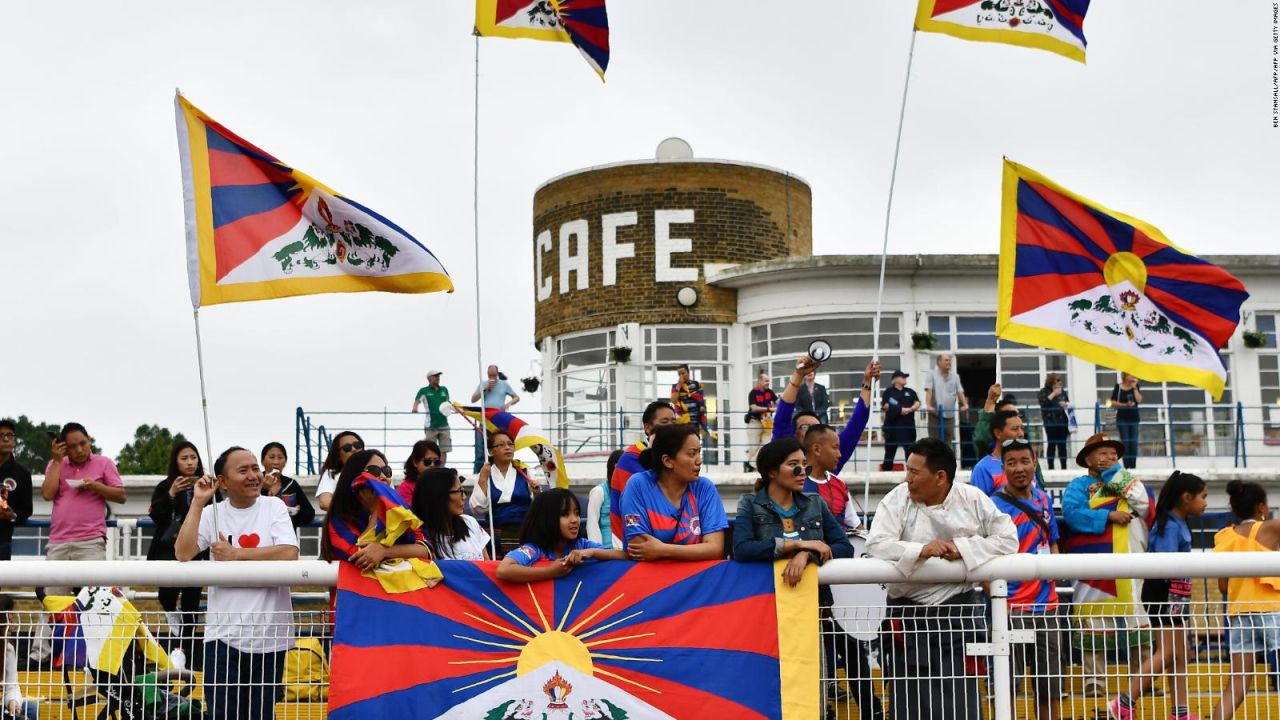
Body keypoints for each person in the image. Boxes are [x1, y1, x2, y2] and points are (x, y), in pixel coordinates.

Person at [866, 438, 1018, 720]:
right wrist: (920, 551)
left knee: (962, 693)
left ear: (940, 477)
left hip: (958, 609)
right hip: (907, 612)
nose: (907, 478)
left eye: (914, 472)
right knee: (909, 699)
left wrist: (962, 548)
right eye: (908, 470)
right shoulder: (897, 498)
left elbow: (1008, 539)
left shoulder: (972, 498)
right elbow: (876, 544)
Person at [733, 438, 856, 714]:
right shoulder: (750, 505)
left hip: (812, 612)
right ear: (772, 472)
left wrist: (807, 557)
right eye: (794, 466)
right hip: (766, 614)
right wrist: (796, 545)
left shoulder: (815, 503)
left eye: (805, 466)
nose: (803, 473)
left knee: (815, 690)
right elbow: (741, 549)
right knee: (768, 690)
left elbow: (843, 547)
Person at [175, 446, 298, 720]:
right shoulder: (212, 513)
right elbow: (183, 552)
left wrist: (236, 554)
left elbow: (289, 552)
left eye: (255, 468)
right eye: (243, 470)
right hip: (222, 636)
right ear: (223, 482)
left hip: (269, 637)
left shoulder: (274, 506)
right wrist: (198, 502)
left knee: (260, 715)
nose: (254, 475)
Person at [1108, 471, 1207, 720]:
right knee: (1167, 652)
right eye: (1203, 497)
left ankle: (1180, 712)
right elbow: (1165, 566)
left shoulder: (1176, 522)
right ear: (1186, 497)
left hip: (1175, 594)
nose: (1205, 502)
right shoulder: (1170, 526)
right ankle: (1124, 701)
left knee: (1179, 653)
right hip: (1165, 593)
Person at [1062, 432, 1155, 698]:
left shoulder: (1130, 482)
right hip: (1094, 566)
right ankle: (1094, 681)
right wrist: (1108, 515)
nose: (1110, 457)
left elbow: (1145, 505)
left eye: (1114, 454)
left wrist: (1115, 473)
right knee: (1093, 620)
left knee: (1137, 618)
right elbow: (1072, 514)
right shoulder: (1078, 486)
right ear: (1088, 459)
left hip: (1130, 562)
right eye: (1102, 453)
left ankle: (1142, 680)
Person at [990, 438, 1064, 720]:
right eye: (1011, 462)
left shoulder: (1043, 498)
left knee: (1050, 688)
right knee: (1006, 686)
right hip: (1009, 611)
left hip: (1047, 608)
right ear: (1003, 467)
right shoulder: (993, 506)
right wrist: (996, 597)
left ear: (1034, 462)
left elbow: (1052, 540)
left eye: (1024, 461)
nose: (1019, 468)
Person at [1208, 480, 1280, 720]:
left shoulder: (1223, 536)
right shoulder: (1270, 528)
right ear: (1261, 507)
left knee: (1236, 686)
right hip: (1273, 612)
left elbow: (1223, 586)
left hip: (1239, 615)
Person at [321, 450, 438, 591]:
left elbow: (426, 550)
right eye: (374, 471)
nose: (383, 477)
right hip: (357, 603)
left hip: (399, 602)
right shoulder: (337, 520)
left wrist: (384, 551)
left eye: (387, 471)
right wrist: (376, 510)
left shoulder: (399, 512)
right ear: (354, 477)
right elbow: (360, 557)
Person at [619, 423, 728, 562]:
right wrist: (696, 551)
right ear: (668, 461)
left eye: (699, 453)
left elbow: (714, 549)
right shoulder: (638, 486)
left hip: (696, 579)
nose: (699, 461)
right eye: (692, 454)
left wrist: (663, 550)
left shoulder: (704, 488)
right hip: (650, 580)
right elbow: (639, 548)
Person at [42, 423, 126, 593]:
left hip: (91, 542)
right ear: (64, 447)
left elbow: (121, 496)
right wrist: (58, 461)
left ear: (90, 441)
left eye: (83, 443)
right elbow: (47, 494)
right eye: (72, 447)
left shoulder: (104, 463)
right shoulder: (55, 464)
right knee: (56, 602)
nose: (79, 450)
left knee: (93, 601)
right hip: (58, 542)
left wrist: (96, 487)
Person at [147, 441, 207, 663]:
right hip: (167, 550)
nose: (190, 462)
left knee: (191, 602)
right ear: (175, 461)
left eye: (193, 457)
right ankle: (174, 624)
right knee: (167, 595)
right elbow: (156, 516)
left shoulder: (206, 484)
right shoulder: (165, 485)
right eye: (184, 458)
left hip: (197, 549)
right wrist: (171, 493)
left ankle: (186, 650)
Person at [774, 355, 878, 476]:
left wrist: (867, 382)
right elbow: (782, 416)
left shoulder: (831, 460)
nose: (812, 431)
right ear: (794, 434)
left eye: (817, 427)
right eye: (806, 427)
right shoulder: (785, 454)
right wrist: (798, 375)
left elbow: (857, 424)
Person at [496, 489, 626, 582]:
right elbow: (503, 570)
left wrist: (591, 552)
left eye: (576, 513)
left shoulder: (582, 545)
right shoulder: (533, 549)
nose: (575, 519)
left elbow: (626, 555)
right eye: (565, 514)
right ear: (546, 519)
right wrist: (551, 572)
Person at [608, 400, 677, 542]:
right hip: (636, 539)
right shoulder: (630, 459)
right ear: (647, 428)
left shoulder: (675, 458)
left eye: (673, 422)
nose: (671, 427)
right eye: (664, 422)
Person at [411, 467, 491, 561]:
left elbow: (487, 566)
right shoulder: (420, 538)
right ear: (439, 497)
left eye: (463, 490)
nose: (464, 497)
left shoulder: (470, 522)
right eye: (459, 491)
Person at [470, 430, 542, 532]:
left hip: (525, 532)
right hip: (495, 535)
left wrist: (536, 493)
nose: (507, 448)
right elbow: (478, 508)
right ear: (491, 451)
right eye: (501, 445)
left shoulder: (525, 472)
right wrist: (483, 479)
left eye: (510, 444)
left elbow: (539, 507)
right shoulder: (484, 475)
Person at [470, 364, 520, 472]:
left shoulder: (504, 384)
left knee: (499, 446)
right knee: (481, 448)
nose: (492, 377)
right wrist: (485, 389)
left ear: (497, 374)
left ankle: (498, 471)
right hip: (484, 418)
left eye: (494, 375)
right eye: (490, 375)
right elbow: (473, 399)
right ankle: (477, 473)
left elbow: (516, 397)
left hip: (498, 419)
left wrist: (508, 404)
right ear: (487, 374)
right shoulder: (483, 384)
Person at [0, 419, 34, 561]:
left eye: (10, 435)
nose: (6, 439)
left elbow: (26, 510)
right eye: (1, 435)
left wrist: (12, 515)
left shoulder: (22, 474)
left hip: (2, 541)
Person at [968, 409, 1024, 496]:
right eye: (1015, 429)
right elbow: (979, 506)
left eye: (1022, 428)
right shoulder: (983, 468)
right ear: (998, 433)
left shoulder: (1029, 464)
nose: (1021, 434)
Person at [259, 442, 314, 530]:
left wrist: (293, 512)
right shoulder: (255, 482)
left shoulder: (291, 484)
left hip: (286, 537)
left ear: (285, 462)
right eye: (271, 457)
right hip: (261, 536)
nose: (276, 462)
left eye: (280, 458)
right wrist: (264, 490)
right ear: (262, 461)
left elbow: (310, 513)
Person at [0, 596, 38, 720]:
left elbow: (12, 686)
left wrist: (12, 701)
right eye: (8, 622)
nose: (12, 627)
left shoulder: (8, 649)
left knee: (31, 708)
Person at [880, 370, 920, 471]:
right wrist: (900, 409)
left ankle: (911, 474)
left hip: (908, 428)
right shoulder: (888, 392)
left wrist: (911, 409)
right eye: (902, 377)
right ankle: (886, 474)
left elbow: (917, 402)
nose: (905, 379)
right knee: (889, 453)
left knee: (910, 454)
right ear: (895, 379)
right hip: (892, 429)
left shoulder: (910, 391)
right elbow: (886, 406)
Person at [315, 431, 363, 511]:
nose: (354, 449)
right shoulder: (332, 474)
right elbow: (325, 502)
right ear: (338, 455)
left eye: (357, 445)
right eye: (347, 448)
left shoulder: (377, 472)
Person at [924, 353, 968, 441]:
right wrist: (928, 405)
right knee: (934, 440)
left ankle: (947, 455)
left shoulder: (955, 376)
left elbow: (960, 391)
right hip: (935, 413)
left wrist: (965, 404)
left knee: (948, 438)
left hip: (950, 414)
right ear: (939, 362)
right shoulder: (931, 374)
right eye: (946, 360)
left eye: (950, 360)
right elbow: (929, 390)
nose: (949, 362)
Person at [412, 370, 452, 464]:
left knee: (444, 449)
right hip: (431, 425)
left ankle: (441, 469)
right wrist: (415, 408)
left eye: (438, 376)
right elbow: (417, 400)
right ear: (429, 378)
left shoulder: (444, 389)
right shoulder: (424, 390)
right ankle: (431, 469)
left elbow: (448, 403)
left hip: (444, 424)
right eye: (435, 376)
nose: (438, 378)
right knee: (430, 450)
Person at [587, 449, 624, 548]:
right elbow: (592, 525)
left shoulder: (628, 493)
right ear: (616, 468)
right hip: (606, 553)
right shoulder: (599, 492)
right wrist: (598, 552)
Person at [972, 385, 1018, 462]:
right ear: (997, 432)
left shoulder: (1030, 456)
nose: (1020, 433)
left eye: (1017, 415)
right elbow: (981, 439)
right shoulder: (988, 453)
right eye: (1009, 415)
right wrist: (990, 401)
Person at [744, 371, 777, 472]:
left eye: (769, 381)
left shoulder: (769, 392)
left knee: (767, 443)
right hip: (755, 422)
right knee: (753, 446)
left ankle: (751, 464)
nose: (768, 383)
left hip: (767, 422)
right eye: (766, 381)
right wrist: (769, 409)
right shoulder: (753, 393)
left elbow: (778, 401)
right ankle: (751, 468)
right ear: (760, 381)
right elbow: (753, 408)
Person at [1037, 373, 1071, 470]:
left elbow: (1067, 402)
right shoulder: (1044, 391)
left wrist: (1065, 404)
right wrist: (1054, 394)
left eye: (1060, 380)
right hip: (1050, 422)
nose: (1060, 382)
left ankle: (1064, 467)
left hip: (1062, 422)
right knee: (1051, 444)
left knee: (1062, 445)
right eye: (1058, 380)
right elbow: (1043, 403)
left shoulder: (1062, 392)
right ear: (1051, 381)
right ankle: (1050, 467)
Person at [1111, 372, 1143, 469]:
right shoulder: (1118, 387)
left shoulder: (1136, 386)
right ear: (1125, 376)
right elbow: (1112, 401)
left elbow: (1139, 400)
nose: (1133, 377)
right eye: (1131, 375)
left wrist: (1134, 388)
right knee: (1125, 442)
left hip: (1134, 418)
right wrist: (1125, 405)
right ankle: (1126, 466)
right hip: (1122, 417)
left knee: (1133, 442)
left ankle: (1133, 466)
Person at [397, 439, 443, 506]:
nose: (432, 465)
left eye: (436, 462)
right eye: (427, 461)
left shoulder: (442, 484)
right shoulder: (405, 488)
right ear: (415, 462)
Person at [670, 364, 709, 435]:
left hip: (695, 420)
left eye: (683, 373)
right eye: (679, 374)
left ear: (688, 372)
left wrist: (702, 406)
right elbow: (674, 400)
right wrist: (679, 385)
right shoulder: (675, 387)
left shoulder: (696, 384)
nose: (681, 376)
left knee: (695, 441)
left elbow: (700, 397)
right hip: (683, 421)